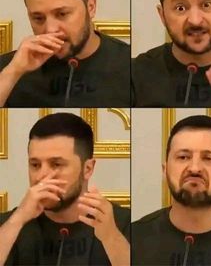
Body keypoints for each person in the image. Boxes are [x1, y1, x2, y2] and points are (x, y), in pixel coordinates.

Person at [0, 0, 130, 107]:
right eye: (38, 18)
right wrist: (13, 72)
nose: (50, 30)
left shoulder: (130, 66)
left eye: (62, 14)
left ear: (91, 7)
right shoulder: (9, 69)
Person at [0, 112, 130, 266]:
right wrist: (17, 220)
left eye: (56, 164)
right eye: (35, 165)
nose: (41, 176)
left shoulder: (124, 224)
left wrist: (112, 239)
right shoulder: (8, 226)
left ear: (87, 169)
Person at [132, 115, 211, 265]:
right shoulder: (133, 240)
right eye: (183, 157)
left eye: (209, 158)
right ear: (165, 170)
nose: (194, 168)